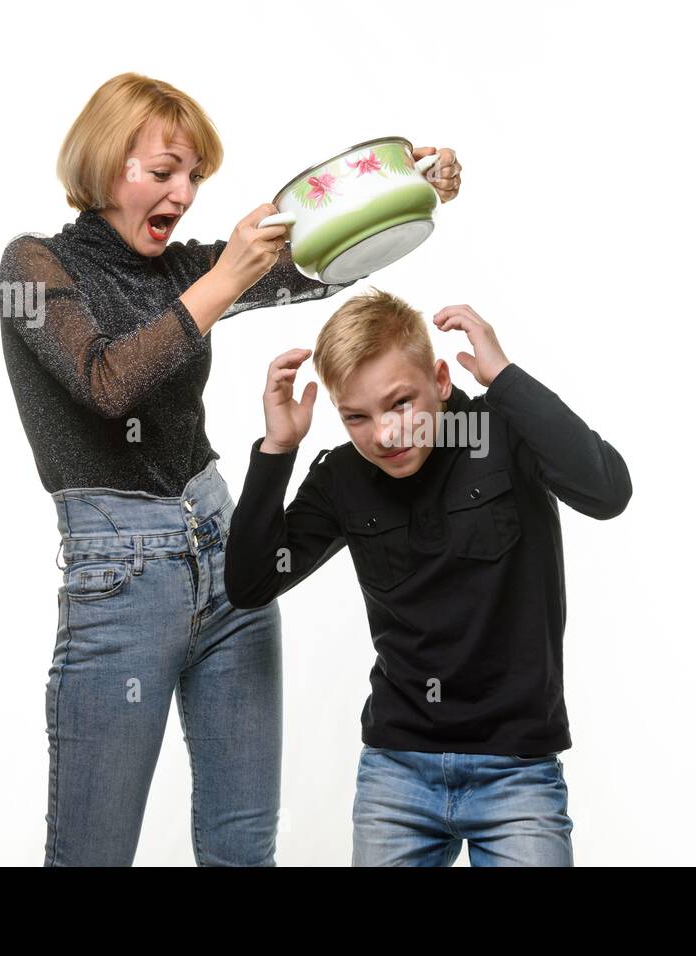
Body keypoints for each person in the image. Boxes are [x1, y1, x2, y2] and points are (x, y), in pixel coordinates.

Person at [0, 71, 461, 866]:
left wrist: (406, 189)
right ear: (106, 165)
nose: (183, 193)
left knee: (243, 846)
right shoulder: (30, 271)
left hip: (226, 558)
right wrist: (224, 279)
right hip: (120, 581)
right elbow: (107, 384)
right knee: (91, 853)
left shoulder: (185, 271)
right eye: (163, 171)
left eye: (194, 178)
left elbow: (313, 265)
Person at [222, 290, 632, 865]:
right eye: (356, 417)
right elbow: (249, 584)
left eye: (399, 404)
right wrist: (277, 450)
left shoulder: (502, 431)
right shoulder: (343, 476)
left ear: (440, 379)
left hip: (516, 772)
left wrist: (506, 378)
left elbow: (609, 491)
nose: (385, 435)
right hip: (397, 773)